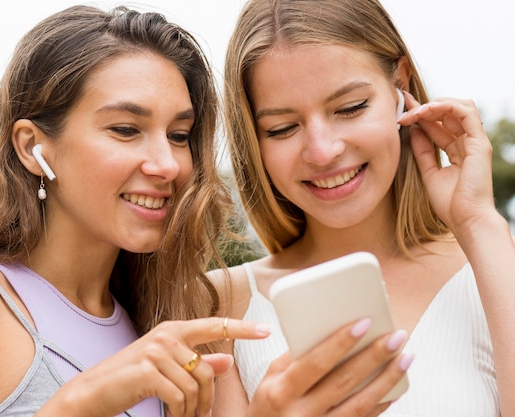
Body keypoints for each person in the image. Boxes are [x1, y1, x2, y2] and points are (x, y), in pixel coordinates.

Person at [0, 5, 279, 417]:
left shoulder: (170, 326)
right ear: (31, 149)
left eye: (179, 135)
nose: (167, 164)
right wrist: (82, 401)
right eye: (126, 130)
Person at [212, 0, 515, 416]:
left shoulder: (496, 269)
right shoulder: (221, 304)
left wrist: (480, 223)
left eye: (350, 107)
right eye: (282, 128)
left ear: (400, 85)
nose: (322, 151)